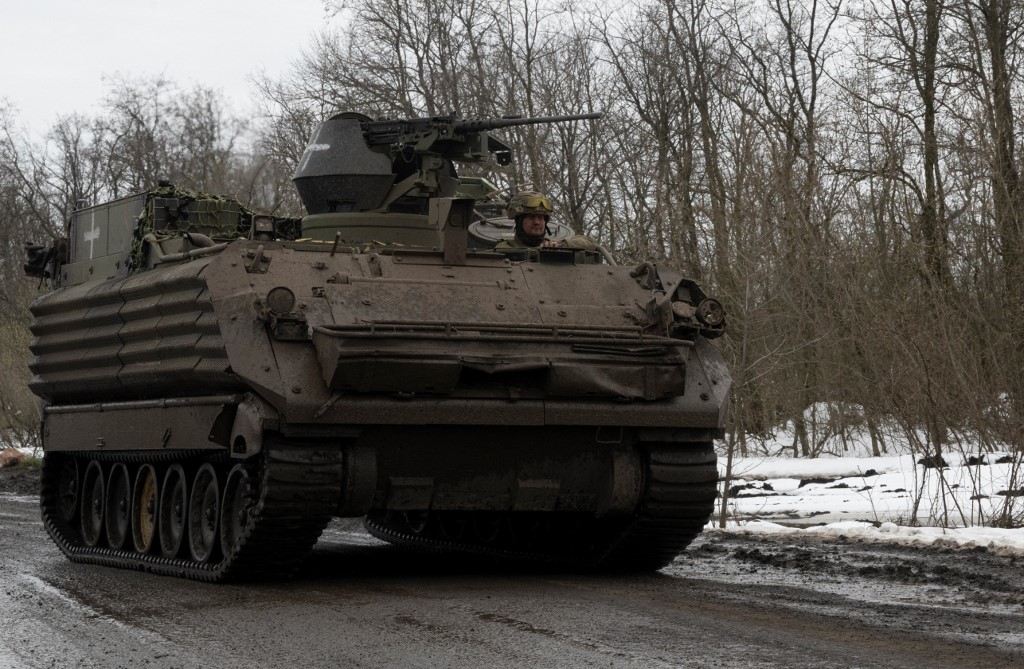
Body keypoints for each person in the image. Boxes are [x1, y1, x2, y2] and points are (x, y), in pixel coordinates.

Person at [495, 190, 597, 250]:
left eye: (540, 218)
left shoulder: (552, 245)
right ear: (519, 221)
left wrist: (562, 245)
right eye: (531, 217)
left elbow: (589, 242)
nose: (537, 222)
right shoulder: (504, 249)